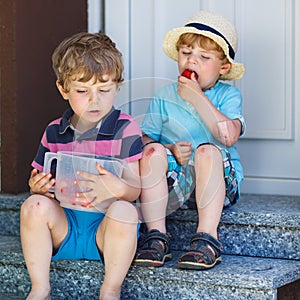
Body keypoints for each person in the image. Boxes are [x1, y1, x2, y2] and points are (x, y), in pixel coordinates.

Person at [20, 32, 143, 300]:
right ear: (63, 89)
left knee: (125, 211)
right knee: (32, 206)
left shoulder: (125, 128)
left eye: (103, 90)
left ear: (117, 86)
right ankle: (40, 288)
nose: (94, 100)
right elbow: (40, 182)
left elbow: (135, 189)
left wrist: (118, 187)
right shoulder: (54, 131)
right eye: (82, 91)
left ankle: (110, 290)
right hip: (66, 227)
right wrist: (37, 187)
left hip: (105, 231)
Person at [134, 11, 245, 270]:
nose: (191, 61)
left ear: (223, 67)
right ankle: (156, 235)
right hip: (177, 186)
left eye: (204, 57)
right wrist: (168, 148)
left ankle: (207, 238)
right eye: (186, 53)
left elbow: (228, 136)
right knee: (151, 152)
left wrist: (196, 96)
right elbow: (145, 139)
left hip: (218, 183)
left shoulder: (228, 95)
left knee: (207, 152)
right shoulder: (164, 95)